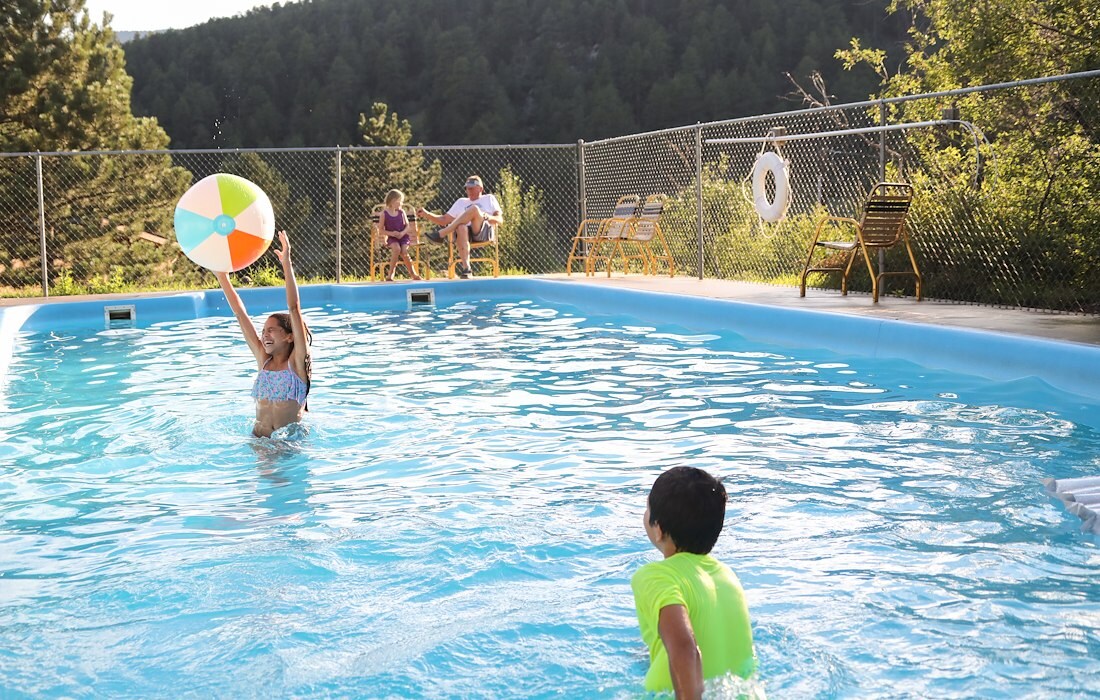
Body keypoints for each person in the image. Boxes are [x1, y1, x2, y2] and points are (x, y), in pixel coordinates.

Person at [631, 466, 755, 699]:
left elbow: (685, 647)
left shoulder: (655, 576)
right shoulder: (728, 576)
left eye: (647, 509)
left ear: (658, 530)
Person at [216, 230, 312, 438]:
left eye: (271, 330)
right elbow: (240, 313)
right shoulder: (264, 360)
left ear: (289, 336)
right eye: (263, 331)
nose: (265, 335)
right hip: (257, 440)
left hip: (286, 443)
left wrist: (286, 263)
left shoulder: (296, 364)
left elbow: (294, 308)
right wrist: (222, 277)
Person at [416, 174, 503, 279]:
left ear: (480, 189)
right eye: (467, 189)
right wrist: (426, 214)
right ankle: (467, 269)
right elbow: (444, 220)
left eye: (472, 188)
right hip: (465, 235)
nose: (469, 191)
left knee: (474, 209)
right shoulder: (461, 202)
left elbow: (500, 220)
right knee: (461, 227)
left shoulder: (489, 198)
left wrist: (487, 216)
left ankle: (442, 233)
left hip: (483, 231)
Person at [379, 188, 421, 282]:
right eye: (400, 201)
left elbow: (407, 226)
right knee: (397, 249)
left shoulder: (401, 212)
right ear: (393, 201)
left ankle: (413, 273)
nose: (401, 204)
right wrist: (392, 233)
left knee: (404, 252)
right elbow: (381, 230)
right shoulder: (384, 214)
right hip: (392, 238)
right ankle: (391, 273)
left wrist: (402, 233)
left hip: (403, 237)